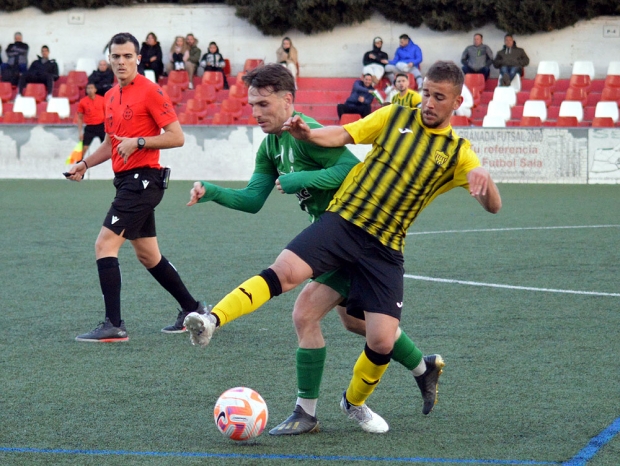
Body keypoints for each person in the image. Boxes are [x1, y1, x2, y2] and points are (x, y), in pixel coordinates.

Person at [183, 60, 501, 433]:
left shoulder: (460, 153)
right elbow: (343, 135)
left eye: (439, 97)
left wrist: (485, 180)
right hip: (343, 222)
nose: (428, 102)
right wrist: (307, 134)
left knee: (378, 338)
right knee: (287, 280)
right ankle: (212, 320)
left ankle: (354, 402)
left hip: (385, 247)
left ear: (458, 101)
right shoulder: (394, 116)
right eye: (426, 92)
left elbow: (492, 205)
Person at [65, 32, 208, 342]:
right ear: (110, 59)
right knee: (148, 255)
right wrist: (85, 164)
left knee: (104, 245)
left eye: (127, 56)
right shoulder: (110, 96)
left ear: (138, 58)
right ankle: (192, 308)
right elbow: (111, 144)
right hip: (127, 182)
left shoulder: (151, 92)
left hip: (144, 180)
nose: (121, 61)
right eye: (116, 56)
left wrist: (141, 141)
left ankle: (114, 325)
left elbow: (177, 136)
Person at [77, 83, 106, 160]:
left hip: (101, 126)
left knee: (109, 147)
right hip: (90, 128)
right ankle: (78, 167)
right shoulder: (83, 102)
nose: (90, 90)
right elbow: (80, 118)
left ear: (95, 90)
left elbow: (107, 113)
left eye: (92, 88)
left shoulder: (102, 100)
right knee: (84, 148)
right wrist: (80, 132)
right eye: (88, 88)